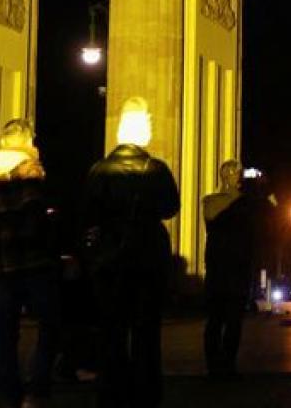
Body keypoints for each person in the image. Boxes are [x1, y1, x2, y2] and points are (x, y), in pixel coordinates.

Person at [82, 96, 181, 408]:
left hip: (110, 259)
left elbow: (88, 213)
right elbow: (170, 208)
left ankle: (112, 392)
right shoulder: (156, 169)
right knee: (146, 333)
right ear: (143, 130)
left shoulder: (99, 170)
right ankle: (146, 392)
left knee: (111, 330)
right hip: (148, 257)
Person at [0, 117, 60, 407]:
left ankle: (9, 391)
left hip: (1, 263)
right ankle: (37, 386)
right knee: (50, 323)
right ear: (27, 139)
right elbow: (35, 217)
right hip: (33, 261)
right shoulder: (29, 170)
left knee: (5, 331)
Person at [201, 160, 260, 380]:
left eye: (240, 172)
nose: (239, 176)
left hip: (235, 267)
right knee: (217, 320)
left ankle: (227, 364)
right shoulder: (214, 201)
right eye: (236, 172)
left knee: (232, 321)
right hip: (221, 267)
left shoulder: (245, 202)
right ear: (225, 175)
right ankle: (215, 365)